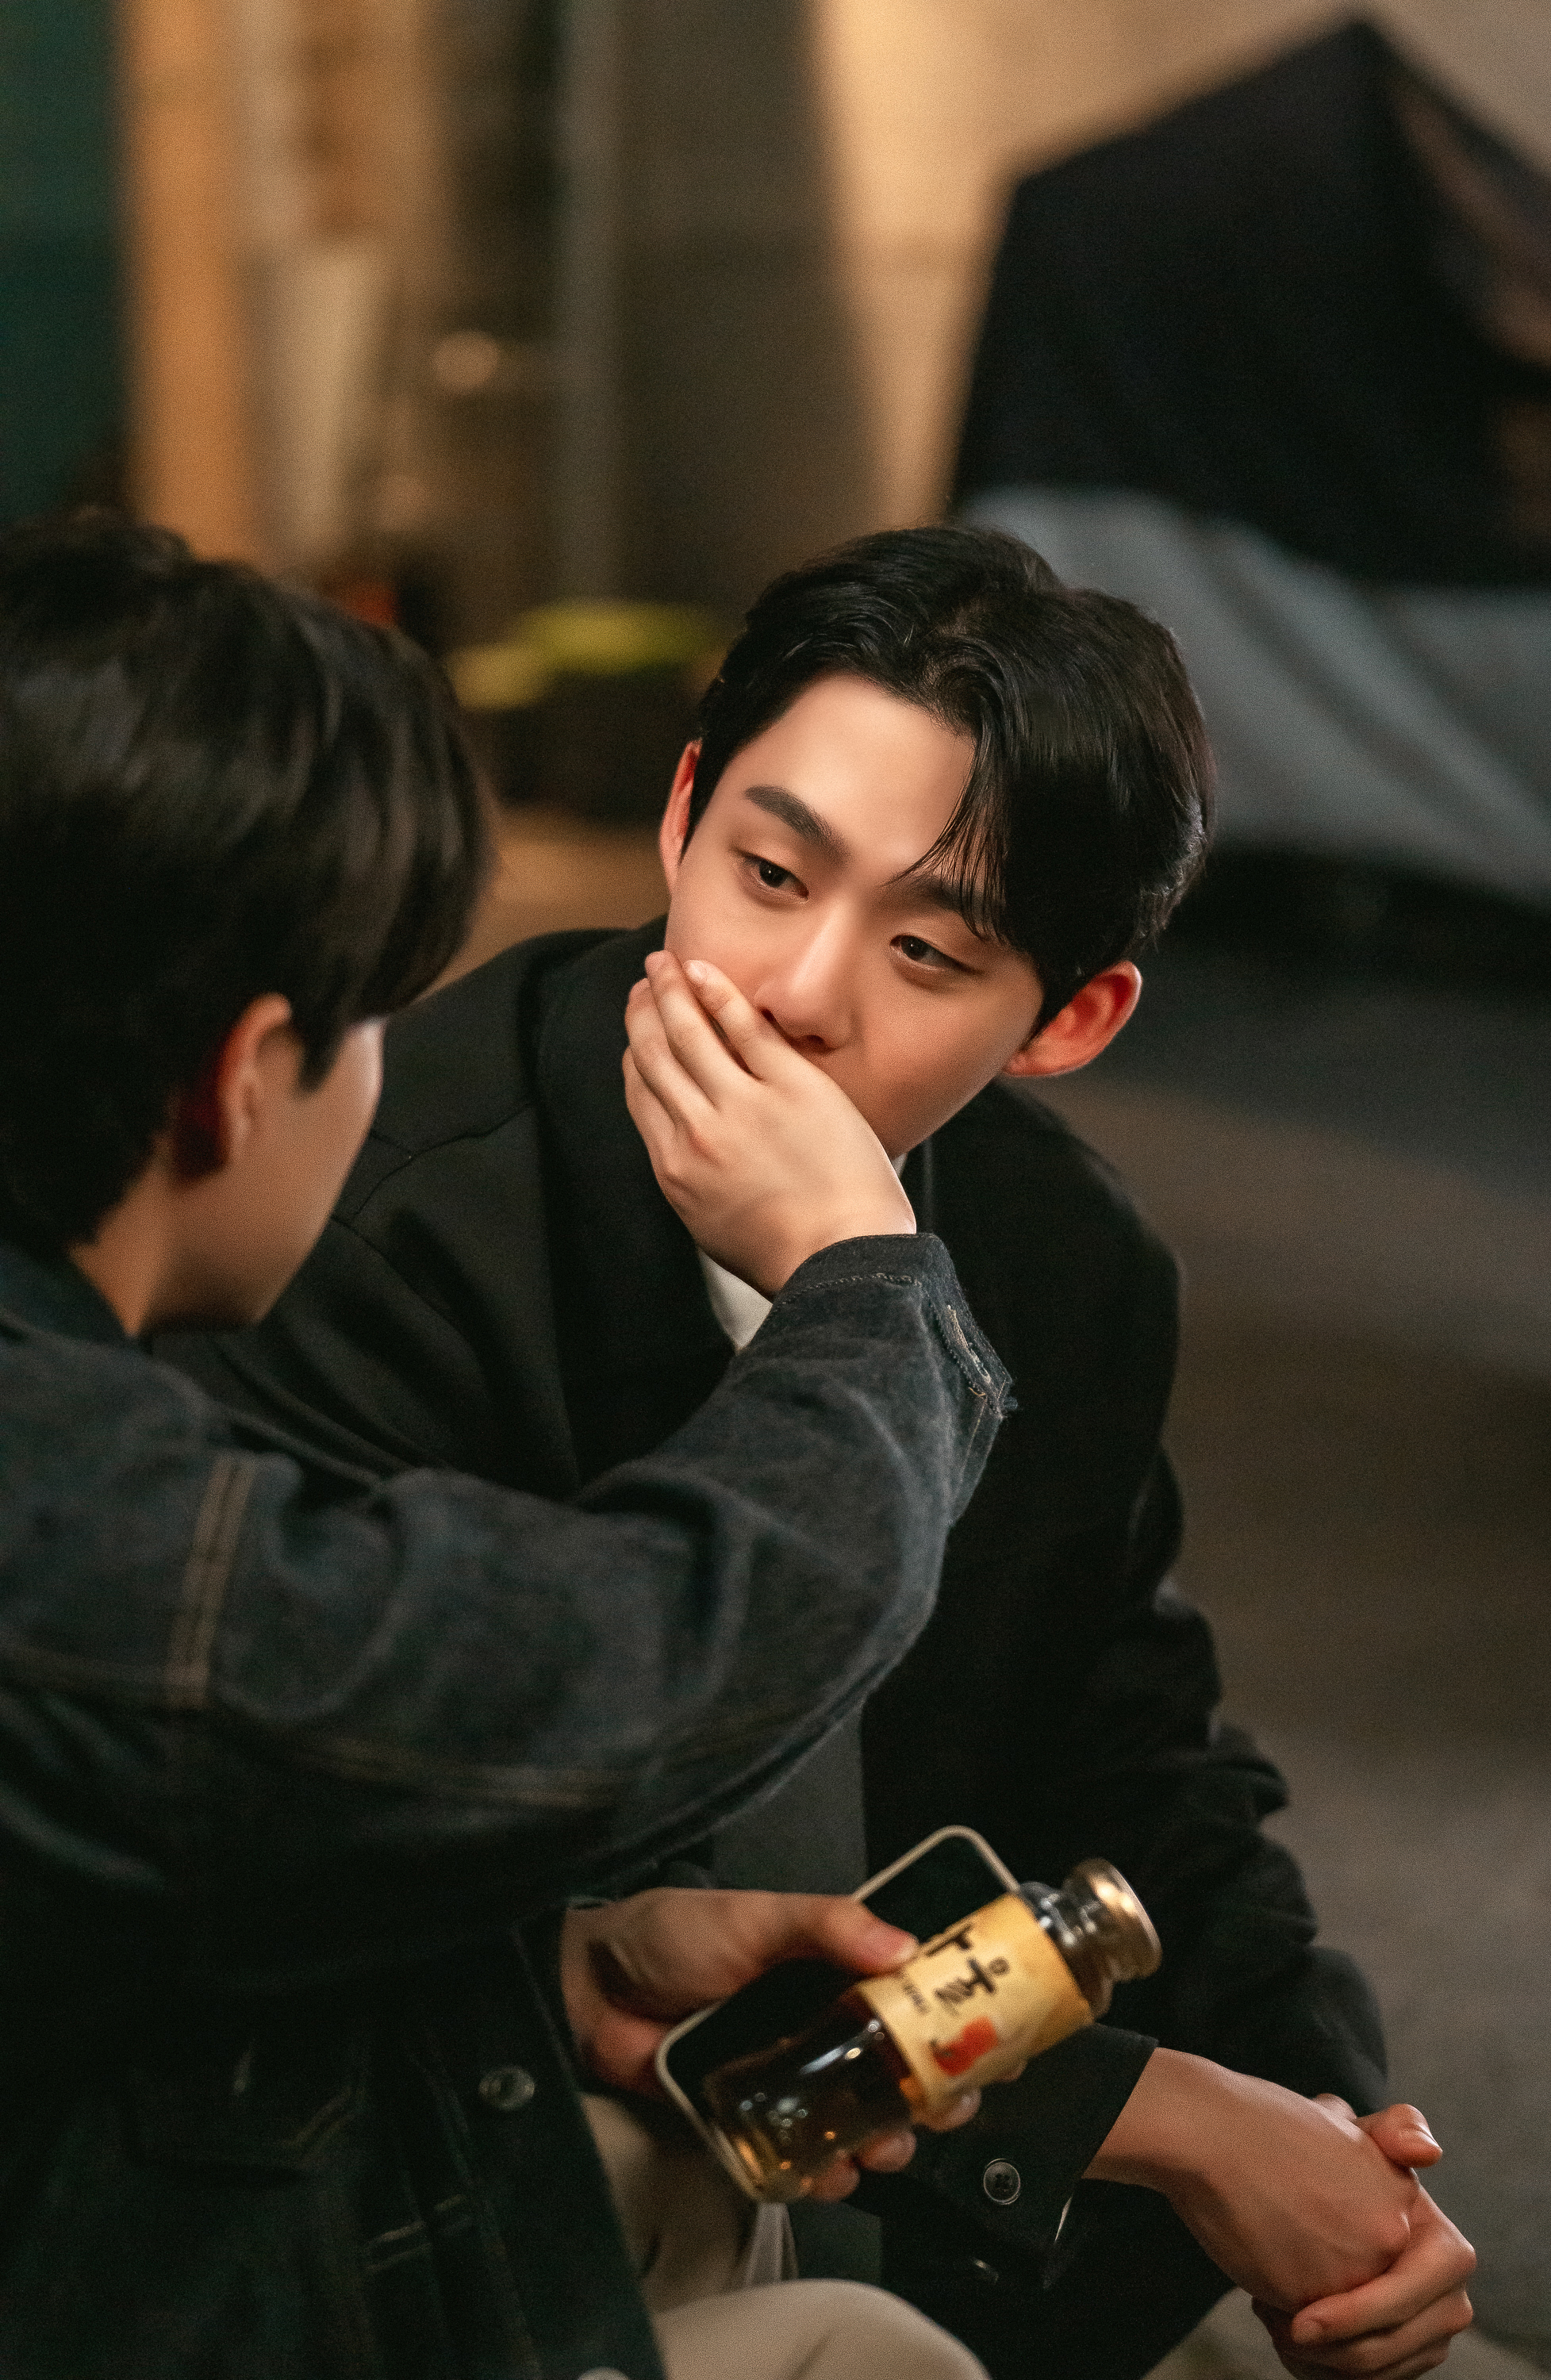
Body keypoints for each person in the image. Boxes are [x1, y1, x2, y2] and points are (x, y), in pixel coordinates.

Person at [171, 526, 1476, 2380]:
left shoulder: (1062, 1254)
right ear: (681, 812)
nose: (793, 988)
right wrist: (1152, 2118)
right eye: (768, 873)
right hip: (459, 2158)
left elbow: (1142, 1763)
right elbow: (383, 1912)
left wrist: (1331, 2131)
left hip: (920, 2160)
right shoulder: (380, 1218)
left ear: (1071, 1018)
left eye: (927, 950)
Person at [0, 512, 1026, 2380]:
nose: (801, 997)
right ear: (240, 1078)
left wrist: (555, 1966)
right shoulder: (88, 1524)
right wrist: (862, 1285)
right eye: (370, 1017)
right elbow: (633, 1657)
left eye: (931, 943)